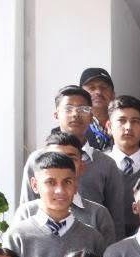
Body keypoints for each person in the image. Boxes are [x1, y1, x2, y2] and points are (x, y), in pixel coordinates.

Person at [20, 86, 128, 233]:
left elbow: (116, 221)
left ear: (91, 116)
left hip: (92, 243)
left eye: (83, 109)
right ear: (56, 114)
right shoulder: (36, 160)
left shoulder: (106, 164)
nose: (76, 114)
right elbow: (27, 212)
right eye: (68, 108)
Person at [4, 152, 107, 257]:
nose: (60, 190)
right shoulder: (17, 236)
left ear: (76, 185)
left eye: (67, 182)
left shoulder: (92, 238)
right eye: (50, 182)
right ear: (35, 185)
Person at [13, 133, 118, 246]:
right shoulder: (27, 212)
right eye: (54, 157)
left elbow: (109, 255)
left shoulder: (98, 214)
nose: (62, 163)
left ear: (82, 166)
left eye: (70, 158)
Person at [106, 96, 140, 235]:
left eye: (135, 121)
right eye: (121, 121)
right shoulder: (97, 168)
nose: (128, 127)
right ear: (109, 127)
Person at [78, 68, 118, 152]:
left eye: (103, 87)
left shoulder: (127, 126)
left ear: (113, 95)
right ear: (81, 94)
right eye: (91, 88)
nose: (98, 92)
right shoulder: (72, 128)